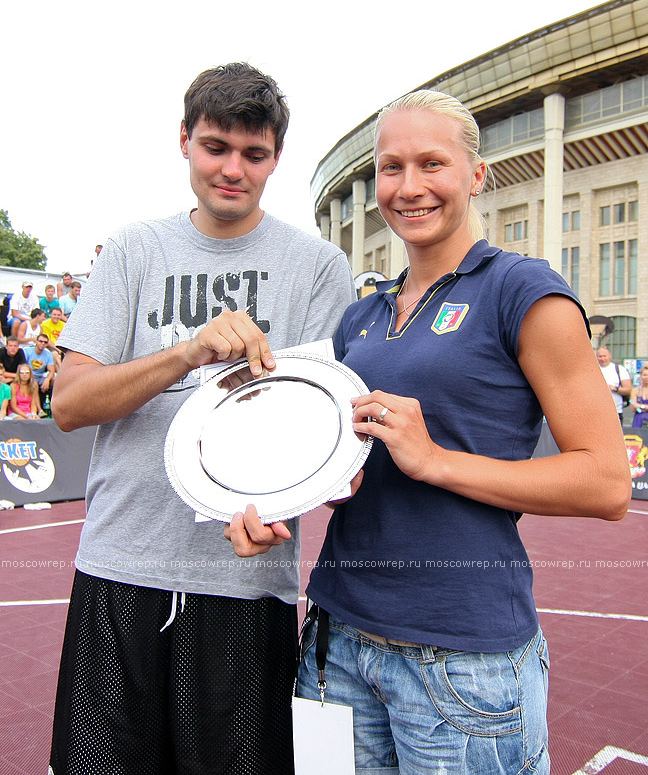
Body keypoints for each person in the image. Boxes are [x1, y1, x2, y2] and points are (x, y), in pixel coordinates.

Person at [228, 90, 631, 775]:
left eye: (431, 164)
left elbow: (606, 481)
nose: (408, 187)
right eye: (390, 168)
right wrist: (282, 500)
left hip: (461, 662)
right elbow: (352, 480)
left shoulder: (523, 291)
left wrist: (436, 460)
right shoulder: (361, 318)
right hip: (335, 647)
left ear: (476, 176)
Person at [48, 62, 356, 775]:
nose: (232, 170)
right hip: (120, 568)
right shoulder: (134, 250)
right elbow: (70, 402)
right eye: (216, 147)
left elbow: (324, 430)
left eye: (253, 154)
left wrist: (287, 502)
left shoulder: (316, 266)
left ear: (276, 158)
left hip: (244, 583)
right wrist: (188, 352)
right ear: (184, 141)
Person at [596, 345, 631, 423]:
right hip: (597, 412)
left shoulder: (619, 369)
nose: (602, 359)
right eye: (600, 356)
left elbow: (628, 389)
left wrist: (616, 389)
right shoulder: (593, 369)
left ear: (610, 356)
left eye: (604, 356)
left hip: (615, 411)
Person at [24, 333, 56, 405]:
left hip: (41, 376)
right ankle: (39, 409)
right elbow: (23, 366)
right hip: (29, 375)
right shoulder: (27, 351)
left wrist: (47, 380)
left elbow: (52, 370)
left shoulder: (48, 354)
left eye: (45, 342)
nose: (43, 343)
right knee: (34, 383)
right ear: (36, 341)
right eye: (41, 341)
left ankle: (52, 406)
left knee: (54, 379)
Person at [629, 364, 648, 428]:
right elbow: (633, 405)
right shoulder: (635, 390)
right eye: (644, 375)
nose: (646, 377)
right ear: (640, 376)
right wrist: (642, 409)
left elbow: (636, 405)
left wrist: (641, 406)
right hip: (638, 419)